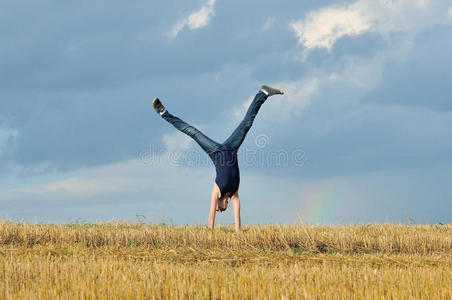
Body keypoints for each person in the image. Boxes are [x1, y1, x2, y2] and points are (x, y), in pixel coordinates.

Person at [152, 85, 284, 232]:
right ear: (226, 205)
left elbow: (210, 217)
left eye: (217, 211)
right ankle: (263, 93)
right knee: (247, 124)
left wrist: (210, 230)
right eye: (221, 211)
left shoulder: (216, 191)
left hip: (214, 152)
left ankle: (163, 113)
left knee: (192, 132)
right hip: (232, 148)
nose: (218, 211)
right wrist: (238, 232)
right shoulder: (234, 194)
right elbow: (237, 217)